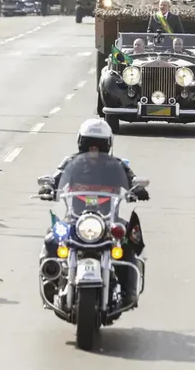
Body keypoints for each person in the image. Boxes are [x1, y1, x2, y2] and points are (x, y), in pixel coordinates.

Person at [38, 118, 149, 306]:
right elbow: (56, 178)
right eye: (89, 145)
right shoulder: (70, 163)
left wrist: (137, 188)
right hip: (75, 218)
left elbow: (131, 178)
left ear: (107, 146)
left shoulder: (116, 165)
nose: (93, 150)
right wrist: (49, 186)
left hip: (107, 219)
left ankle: (128, 290)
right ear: (82, 144)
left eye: (98, 146)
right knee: (52, 238)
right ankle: (51, 280)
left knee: (128, 240)